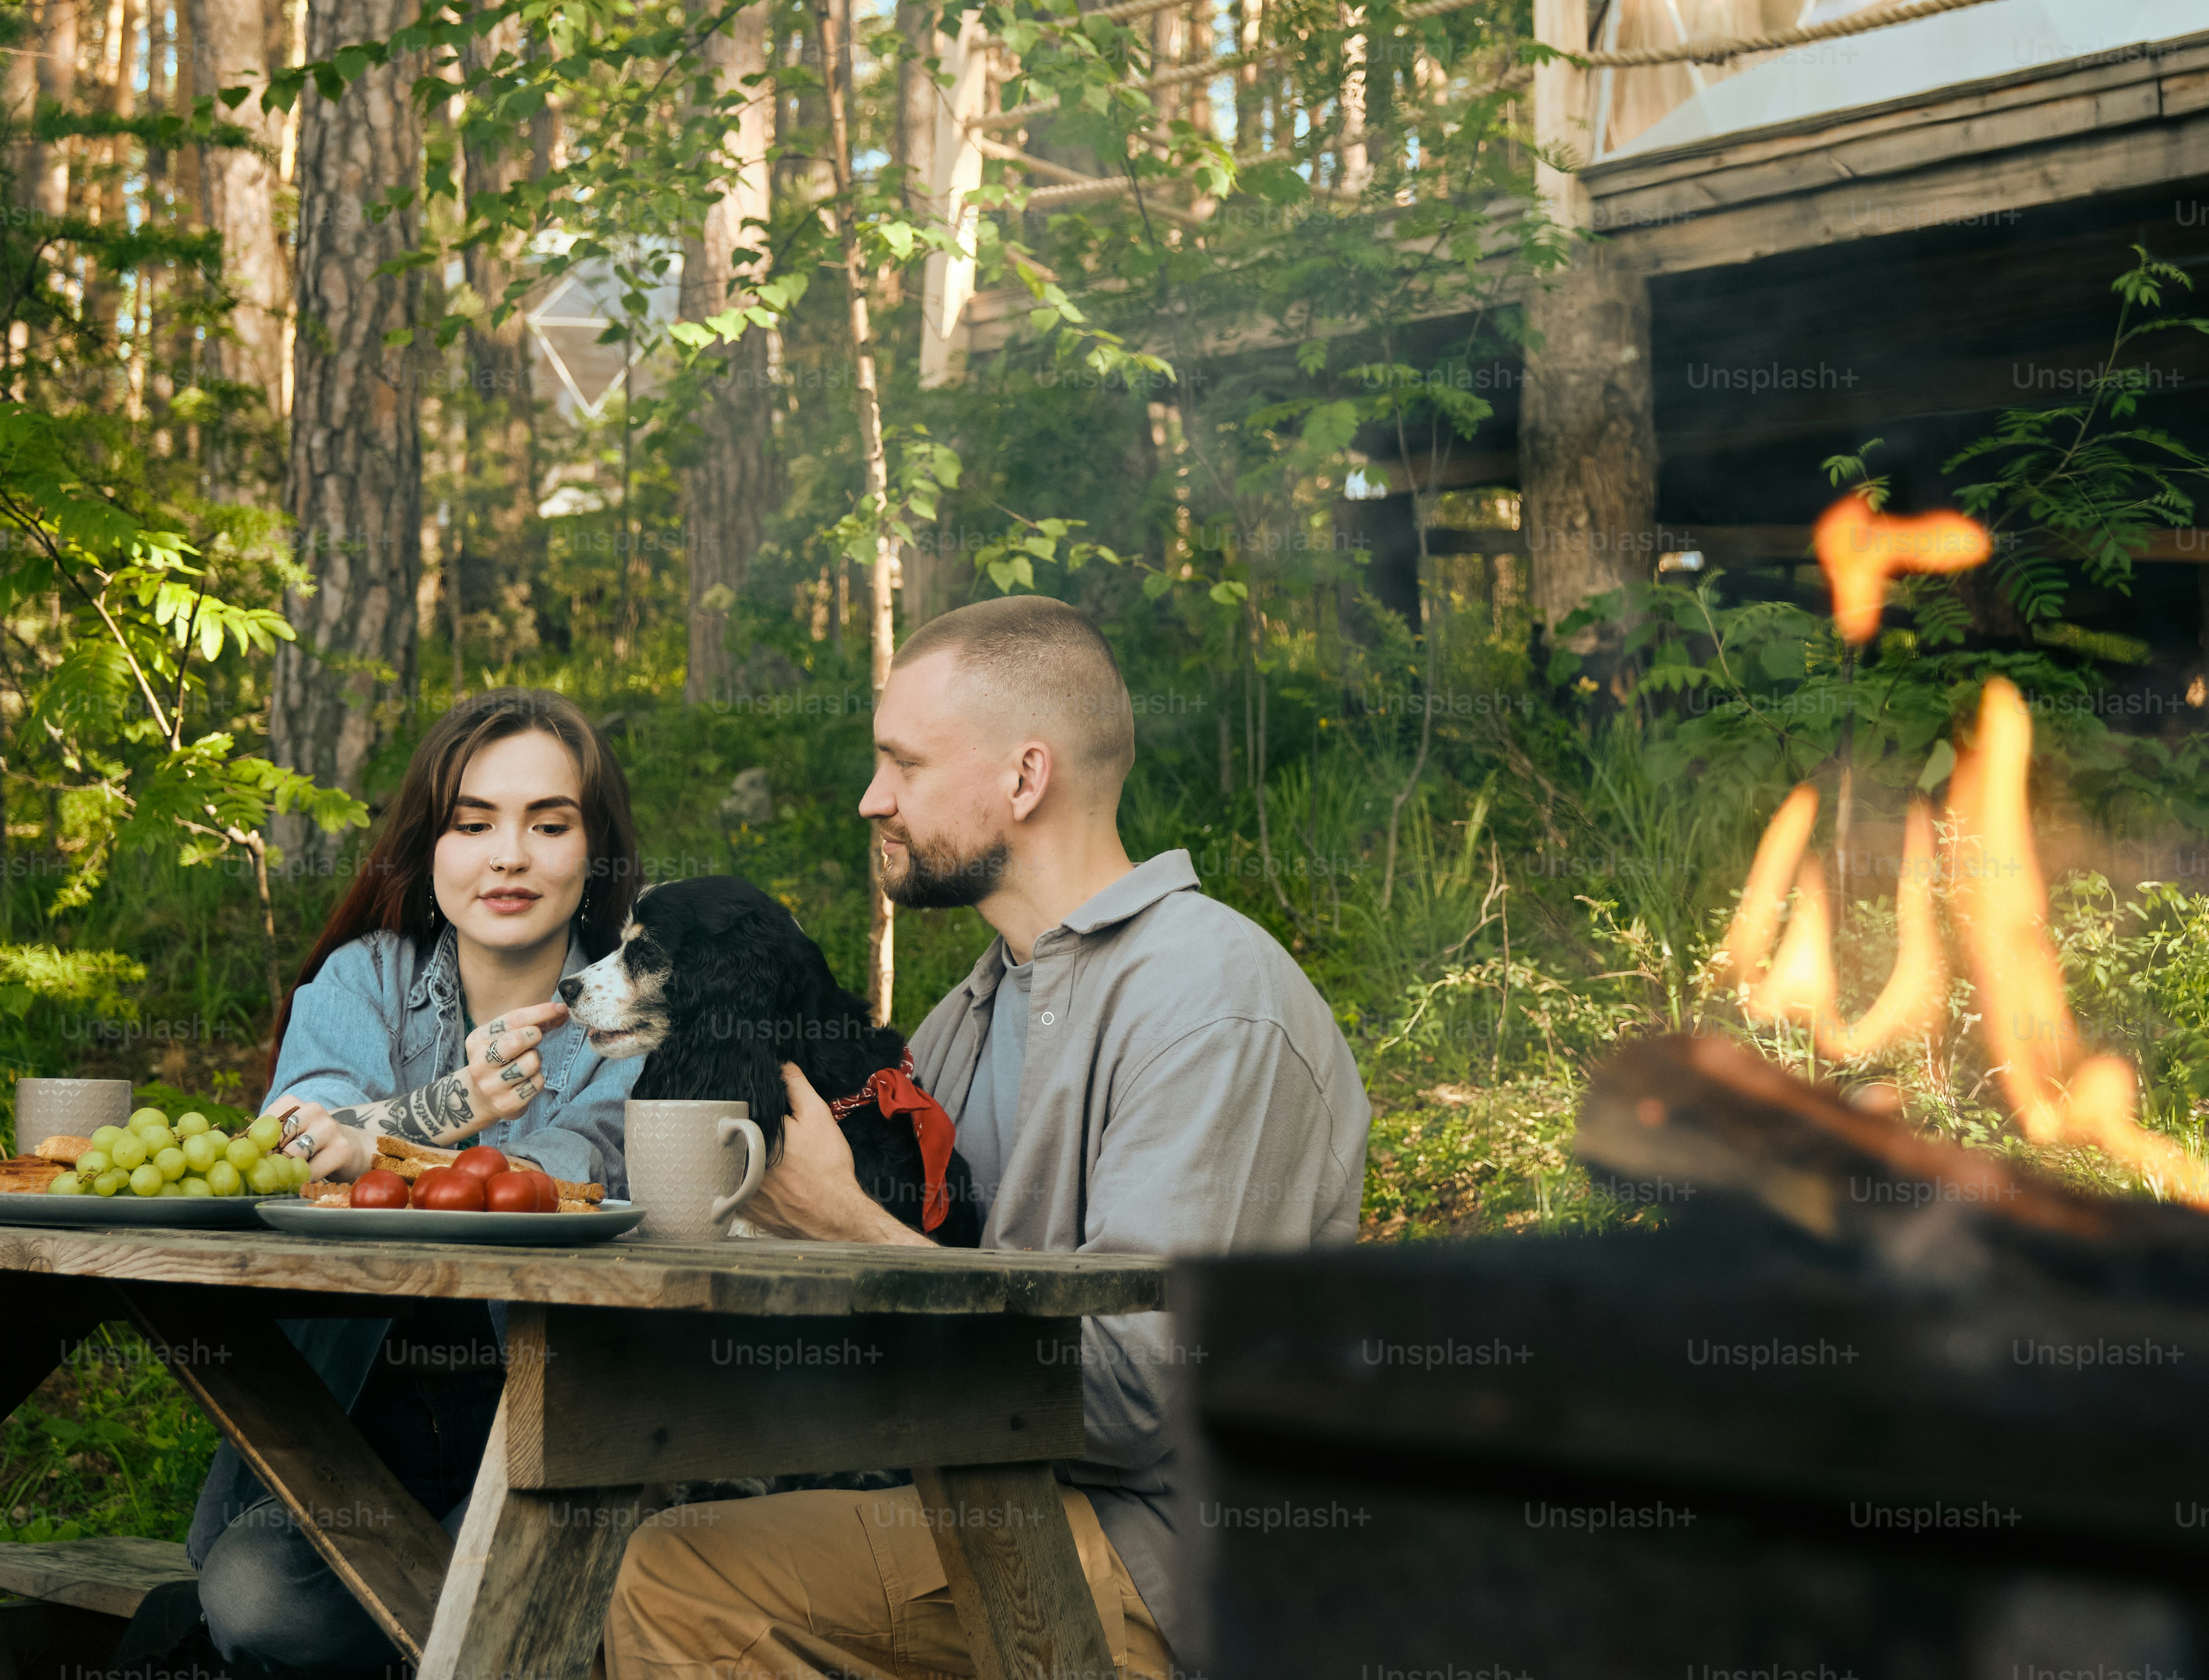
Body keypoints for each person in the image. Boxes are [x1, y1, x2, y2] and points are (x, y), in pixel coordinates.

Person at [599, 596, 1371, 1680]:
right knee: (609, 1526)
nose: (872, 799)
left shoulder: (1209, 998)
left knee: (684, 1577)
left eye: (902, 764)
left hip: (1172, 1563)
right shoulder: (965, 1016)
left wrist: (850, 1228)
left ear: (1023, 779)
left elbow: (1138, 1401)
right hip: (986, 1501)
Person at [185, 688, 644, 1679]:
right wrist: (454, 1106)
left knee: (605, 1600)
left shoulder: (631, 1011)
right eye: (472, 824)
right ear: (428, 845)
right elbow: (289, 1140)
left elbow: (579, 1170)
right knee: (260, 1605)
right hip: (354, 1430)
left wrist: (381, 1145)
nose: (507, 856)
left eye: (548, 824)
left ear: (596, 848)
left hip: (555, 1431)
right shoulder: (365, 979)